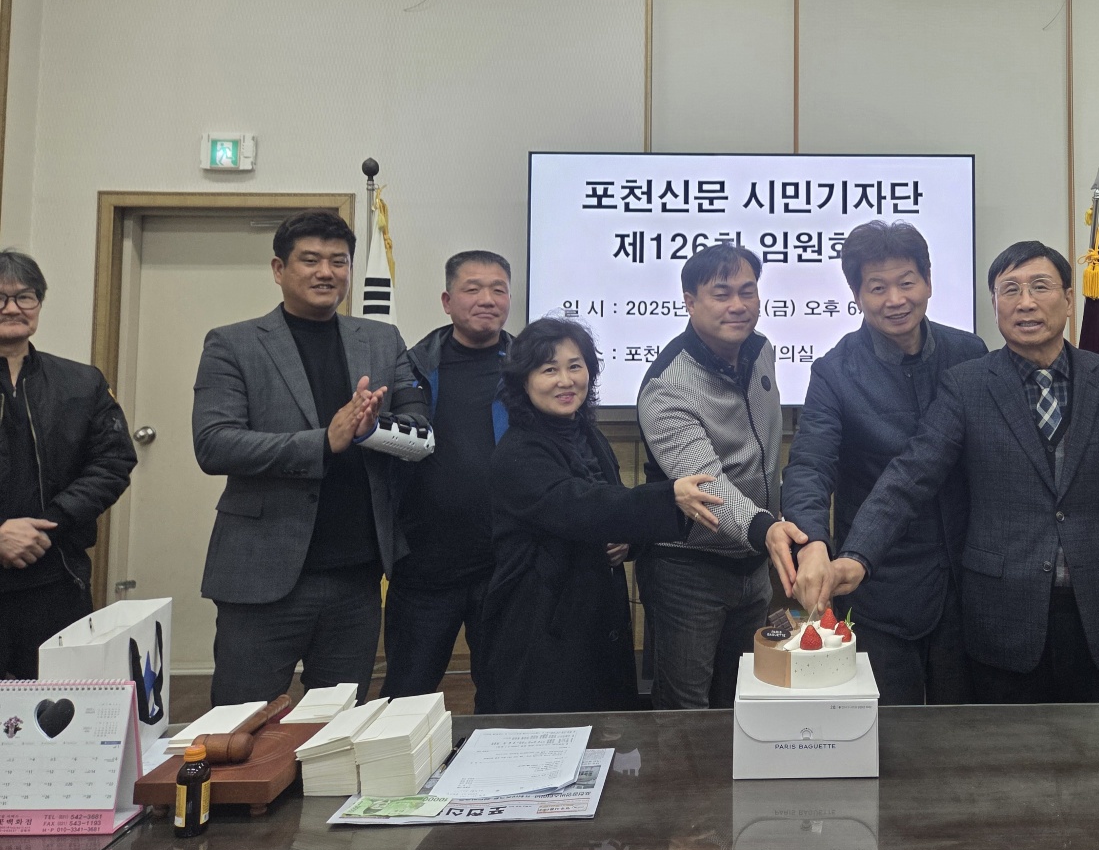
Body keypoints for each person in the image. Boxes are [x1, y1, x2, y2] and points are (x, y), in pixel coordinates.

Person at [783, 240, 1099, 704]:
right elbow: (905, 476)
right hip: (918, 590)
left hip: (1070, 604)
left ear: (1070, 299)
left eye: (1040, 287)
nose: (1026, 303)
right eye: (1011, 290)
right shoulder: (954, 380)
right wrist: (845, 552)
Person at [192, 210, 423, 705]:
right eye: (310, 260)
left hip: (357, 574)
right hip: (262, 574)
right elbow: (214, 443)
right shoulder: (233, 343)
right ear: (279, 269)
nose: (326, 272)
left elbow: (419, 431)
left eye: (339, 261)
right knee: (241, 722)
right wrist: (323, 441)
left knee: (336, 727)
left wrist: (371, 431)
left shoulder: (381, 340)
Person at [779, 221, 986, 705]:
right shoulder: (835, 371)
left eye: (907, 282)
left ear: (928, 282)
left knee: (971, 730)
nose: (895, 299)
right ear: (856, 295)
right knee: (891, 731)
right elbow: (810, 464)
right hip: (881, 583)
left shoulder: (969, 354)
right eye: (877, 287)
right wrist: (812, 543)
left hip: (970, 581)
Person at [476, 317, 723, 713]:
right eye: (549, 370)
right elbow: (578, 505)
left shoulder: (587, 434)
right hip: (542, 624)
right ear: (523, 381)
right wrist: (668, 496)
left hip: (595, 618)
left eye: (575, 366)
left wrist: (628, 541)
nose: (566, 380)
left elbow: (611, 505)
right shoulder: (518, 451)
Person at [637, 243, 808, 709]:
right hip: (687, 572)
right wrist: (765, 528)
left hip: (753, 564)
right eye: (721, 293)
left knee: (743, 697)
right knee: (686, 709)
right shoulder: (667, 387)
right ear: (690, 301)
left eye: (747, 291)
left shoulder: (761, 350)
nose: (738, 305)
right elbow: (706, 487)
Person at [382, 251, 513, 701]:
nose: (487, 299)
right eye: (472, 289)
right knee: (406, 694)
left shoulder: (530, 368)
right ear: (447, 301)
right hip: (425, 565)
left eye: (498, 289)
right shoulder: (411, 367)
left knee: (504, 694)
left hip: (504, 564)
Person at [0, 249, 136, 678]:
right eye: (0, 297)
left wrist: (48, 524)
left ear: (39, 303)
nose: (12, 308)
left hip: (57, 577)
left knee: (55, 706)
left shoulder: (81, 382)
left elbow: (113, 462)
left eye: (25, 297)